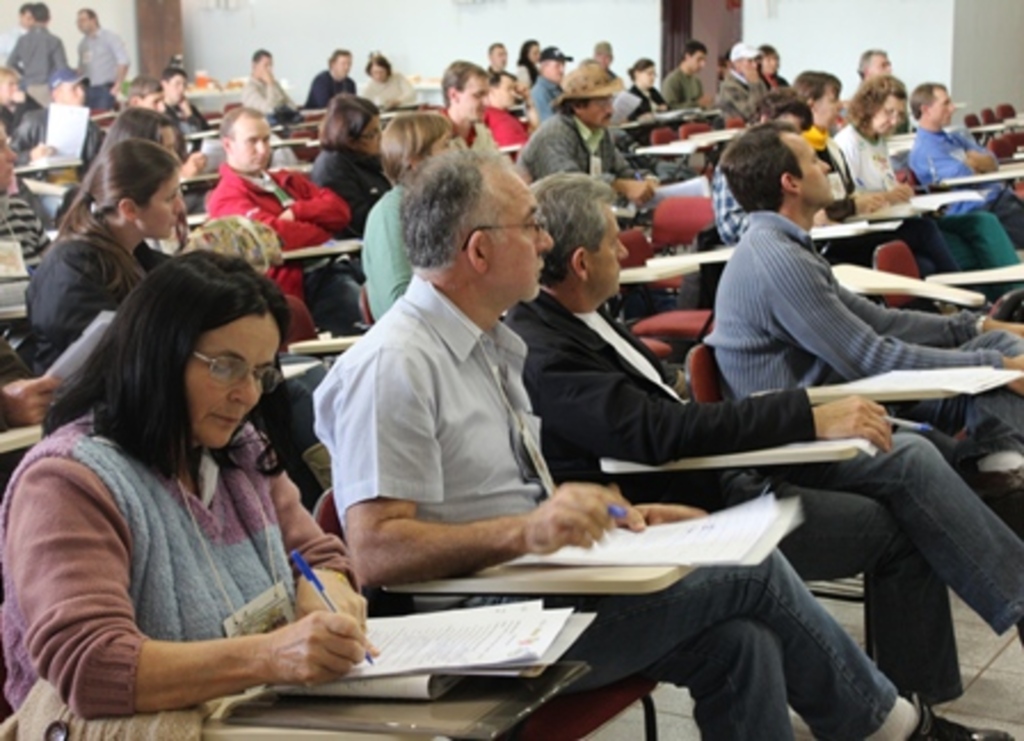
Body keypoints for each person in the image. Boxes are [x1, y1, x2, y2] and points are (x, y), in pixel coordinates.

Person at [313, 148, 1002, 740]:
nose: (545, 242)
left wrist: (623, 521)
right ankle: (899, 729)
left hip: (534, 585)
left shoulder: (490, 342)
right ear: (479, 249)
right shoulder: (395, 364)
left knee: (742, 640)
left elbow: (508, 500)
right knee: (749, 568)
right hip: (479, 622)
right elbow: (377, 553)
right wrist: (531, 530)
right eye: (530, 227)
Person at [502, 170, 1024, 703]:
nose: (628, 254)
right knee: (904, 510)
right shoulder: (545, 346)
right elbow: (657, 431)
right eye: (615, 244)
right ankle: (916, 704)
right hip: (688, 503)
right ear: (581, 263)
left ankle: (927, 695)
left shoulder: (587, 316)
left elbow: (674, 406)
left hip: (724, 469)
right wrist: (804, 415)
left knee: (908, 453)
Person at [3, 250, 370, 720]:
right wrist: (270, 655)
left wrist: (330, 594)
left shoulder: (240, 451)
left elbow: (317, 555)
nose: (248, 394)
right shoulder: (66, 483)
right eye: (225, 367)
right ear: (159, 354)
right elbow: (93, 667)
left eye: (260, 373)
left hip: (247, 719)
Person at [708, 122, 1024, 535]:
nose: (825, 165)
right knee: (984, 388)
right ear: (791, 183)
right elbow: (870, 358)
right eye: (813, 161)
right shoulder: (777, 259)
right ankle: (1001, 486)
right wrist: (995, 365)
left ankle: (997, 470)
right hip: (808, 435)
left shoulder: (791, 247)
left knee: (999, 346)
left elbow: (884, 322)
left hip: (852, 403)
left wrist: (980, 326)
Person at [835, 74, 1021, 299]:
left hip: (900, 216)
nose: (894, 121)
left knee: (983, 221)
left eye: (899, 114)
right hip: (879, 227)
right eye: (888, 112)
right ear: (869, 107)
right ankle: (992, 300)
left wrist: (900, 193)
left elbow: (889, 186)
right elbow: (853, 198)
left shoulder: (879, 141)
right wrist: (890, 195)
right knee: (962, 245)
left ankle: (1006, 297)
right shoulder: (848, 143)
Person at [25, 139, 178, 374]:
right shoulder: (70, 268)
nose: (179, 207)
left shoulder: (143, 258)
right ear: (129, 209)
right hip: (82, 404)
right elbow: (112, 355)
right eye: (169, 198)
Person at [206, 106, 360, 337]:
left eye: (267, 140)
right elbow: (275, 238)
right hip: (300, 283)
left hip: (339, 264)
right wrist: (323, 228)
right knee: (380, 321)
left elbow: (340, 211)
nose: (263, 149)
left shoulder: (286, 179)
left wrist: (297, 212)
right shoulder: (226, 197)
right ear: (228, 145)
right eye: (253, 141)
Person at [790, 70, 959, 277]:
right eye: (834, 100)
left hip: (859, 223)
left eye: (899, 114)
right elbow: (831, 206)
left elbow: (846, 195)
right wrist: (862, 202)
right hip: (836, 236)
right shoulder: (830, 145)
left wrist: (895, 193)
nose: (841, 106)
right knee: (923, 232)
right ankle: (963, 290)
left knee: (925, 261)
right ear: (812, 105)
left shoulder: (833, 146)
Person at [518, 64, 656, 207]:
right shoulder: (553, 134)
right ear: (578, 106)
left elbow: (622, 170)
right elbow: (570, 185)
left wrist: (645, 179)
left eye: (609, 101)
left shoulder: (600, 131)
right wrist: (621, 186)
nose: (610, 110)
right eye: (602, 103)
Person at [909, 82, 1024, 248]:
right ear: (926, 110)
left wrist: (976, 164)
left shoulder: (953, 138)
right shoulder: (924, 151)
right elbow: (965, 175)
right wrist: (973, 164)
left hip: (998, 199)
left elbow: (993, 161)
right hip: (979, 210)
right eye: (946, 103)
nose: (953, 108)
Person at [361, 112, 450, 320]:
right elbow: (398, 301)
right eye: (446, 145)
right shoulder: (390, 213)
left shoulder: (442, 206)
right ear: (416, 161)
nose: (456, 153)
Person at [310, 93, 388, 238]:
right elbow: (356, 222)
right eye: (371, 135)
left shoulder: (367, 158)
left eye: (380, 129)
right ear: (349, 138)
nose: (380, 138)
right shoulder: (332, 168)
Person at [10, 68, 103, 173]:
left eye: (82, 88)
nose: (82, 94)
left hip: (79, 185)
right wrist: (30, 155)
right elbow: (8, 158)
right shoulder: (34, 121)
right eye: (74, 88)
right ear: (56, 94)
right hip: (40, 185)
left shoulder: (91, 128)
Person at [5, 3, 65, 106]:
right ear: (48, 19)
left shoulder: (23, 40)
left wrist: (23, 73)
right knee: (45, 118)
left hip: (27, 86)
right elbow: (61, 68)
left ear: (32, 19)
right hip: (47, 87)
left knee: (29, 117)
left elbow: (10, 62)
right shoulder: (54, 41)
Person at [75, 8, 127, 111]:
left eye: (82, 20)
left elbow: (123, 61)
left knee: (101, 120)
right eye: (78, 21)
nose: (79, 24)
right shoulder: (83, 44)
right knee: (89, 122)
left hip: (104, 90)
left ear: (93, 20)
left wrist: (119, 84)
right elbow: (81, 69)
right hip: (87, 90)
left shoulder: (109, 38)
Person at [442, 60, 496, 152]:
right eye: (478, 95)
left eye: (487, 94)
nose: (487, 103)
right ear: (454, 95)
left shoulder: (482, 132)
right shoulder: (432, 136)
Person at [716, 42, 767, 123]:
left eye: (755, 61)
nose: (755, 65)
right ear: (737, 64)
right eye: (750, 61)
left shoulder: (757, 80)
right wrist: (754, 85)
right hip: (738, 131)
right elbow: (749, 113)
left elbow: (767, 104)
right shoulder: (729, 87)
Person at [482, 71, 534, 148]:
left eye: (514, 89)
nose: (514, 94)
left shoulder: (508, 114)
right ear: (492, 91)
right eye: (509, 89)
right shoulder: (488, 116)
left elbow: (534, 129)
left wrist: (528, 99)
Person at [242, 49, 296, 120]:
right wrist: (270, 85)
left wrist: (272, 85)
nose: (270, 69)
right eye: (266, 65)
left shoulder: (275, 84)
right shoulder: (250, 89)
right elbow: (270, 111)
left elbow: (293, 106)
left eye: (271, 65)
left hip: (285, 124)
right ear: (254, 66)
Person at [160, 66, 210, 139]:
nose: (182, 89)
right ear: (164, 84)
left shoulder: (189, 108)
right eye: (177, 84)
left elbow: (206, 131)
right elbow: (176, 133)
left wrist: (190, 115)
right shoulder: (161, 109)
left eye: (184, 85)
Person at [662, 39, 713, 110]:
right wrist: (697, 104)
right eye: (699, 59)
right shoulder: (672, 80)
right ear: (687, 57)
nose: (702, 64)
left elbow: (701, 107)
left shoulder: (696, 81)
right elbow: (669, 108)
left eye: (704, 60)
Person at [531, 45, 571, 123]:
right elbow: (549, 126)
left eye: (563, 65)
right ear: (544, 67)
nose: (562, 70)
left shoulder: (558, 89)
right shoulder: (539, 93)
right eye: (558, 66)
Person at [0, 66, 39, 135]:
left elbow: (41, 115)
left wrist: (25, 102)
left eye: (17, 84)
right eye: (11, 84)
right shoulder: (3, 111)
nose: (16, 88)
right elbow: (14, 135)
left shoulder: (25, 98)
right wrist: (21, 106)